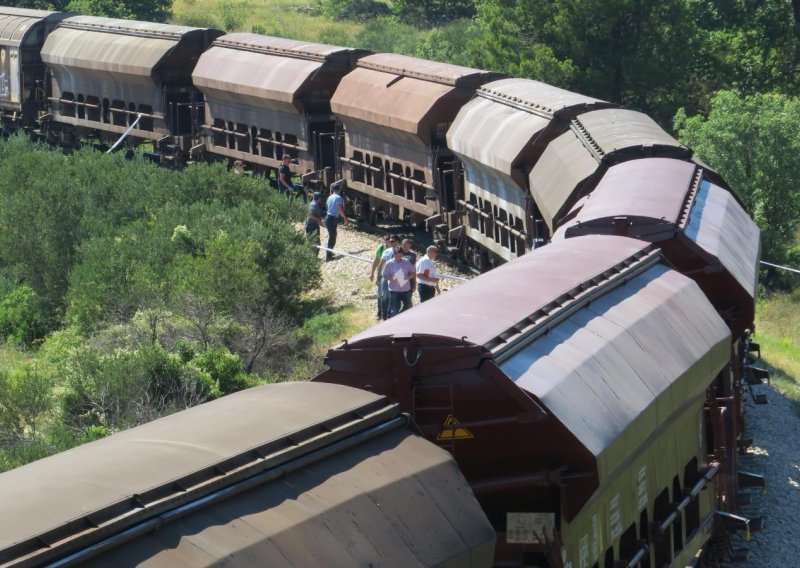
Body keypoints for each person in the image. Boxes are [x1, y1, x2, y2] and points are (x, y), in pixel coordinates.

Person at [382, 245, 415, 317]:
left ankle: (400, 317)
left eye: (400, 255)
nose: (398, 257)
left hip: (406, 289)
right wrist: (392, 278)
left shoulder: (406, 261)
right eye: (397, 255)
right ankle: (392, 322)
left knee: (409, 307)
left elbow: (412, 273)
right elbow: (384, 275)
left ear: (402, 255)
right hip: (394, 290)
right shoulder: (389, 263)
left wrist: (408, 277)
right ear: (394, 254)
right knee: (394, 309)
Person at [370, 234, 397, 320]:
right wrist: (373, 273)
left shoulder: (397, 250)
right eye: (388, 241)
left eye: (391, 241)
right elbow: (376, 261)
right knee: (381, 295)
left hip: (393, 276)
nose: (389, 243)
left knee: (390, 295)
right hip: (383, 275)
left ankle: (388, 314)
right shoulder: (382, 249)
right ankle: (380, 313)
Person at [324, 180, 348, 261]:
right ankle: (328, 256)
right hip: (332, 219)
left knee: (332, 236)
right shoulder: (339, 198)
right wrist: (345, 219)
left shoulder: (329, 197)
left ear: (333, 190)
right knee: (332, 237)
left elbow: (327, 207)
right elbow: (339, 209)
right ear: (339, 190)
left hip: (328, 217)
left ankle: (330, 253)